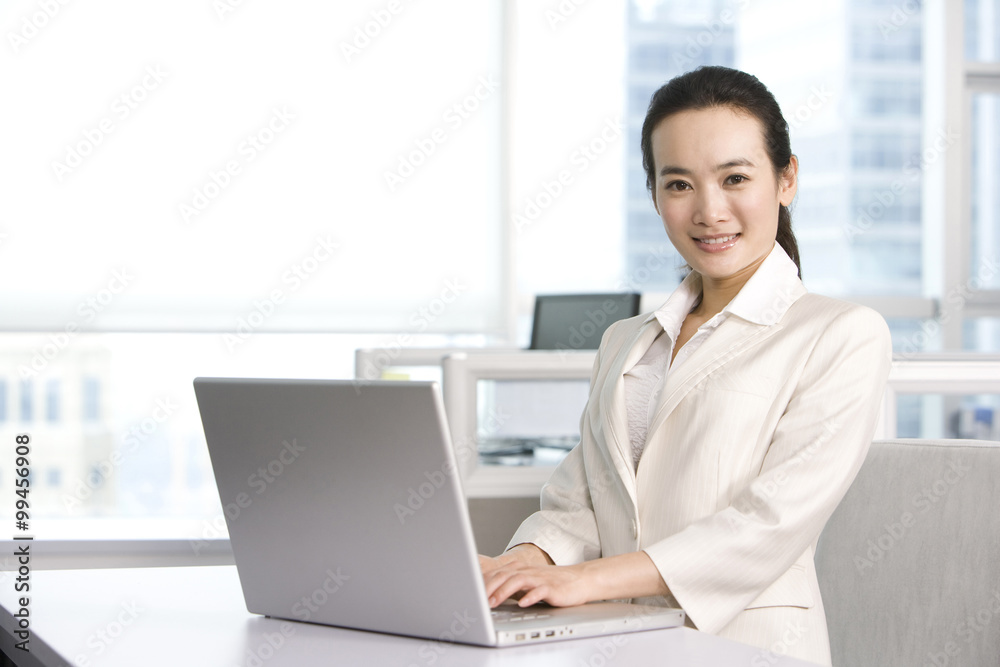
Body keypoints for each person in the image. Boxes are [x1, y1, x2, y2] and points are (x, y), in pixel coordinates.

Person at [479, 66, 892, 665]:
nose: (709, 210)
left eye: (735, 178)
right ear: (654, 194)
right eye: (678, 185)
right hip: (618, 642)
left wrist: (583, 581)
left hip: (747, 648)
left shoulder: (840, 335)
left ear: (786, 178)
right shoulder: (627, 342)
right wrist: (524, 562)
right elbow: (581, 502)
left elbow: (768, 525)